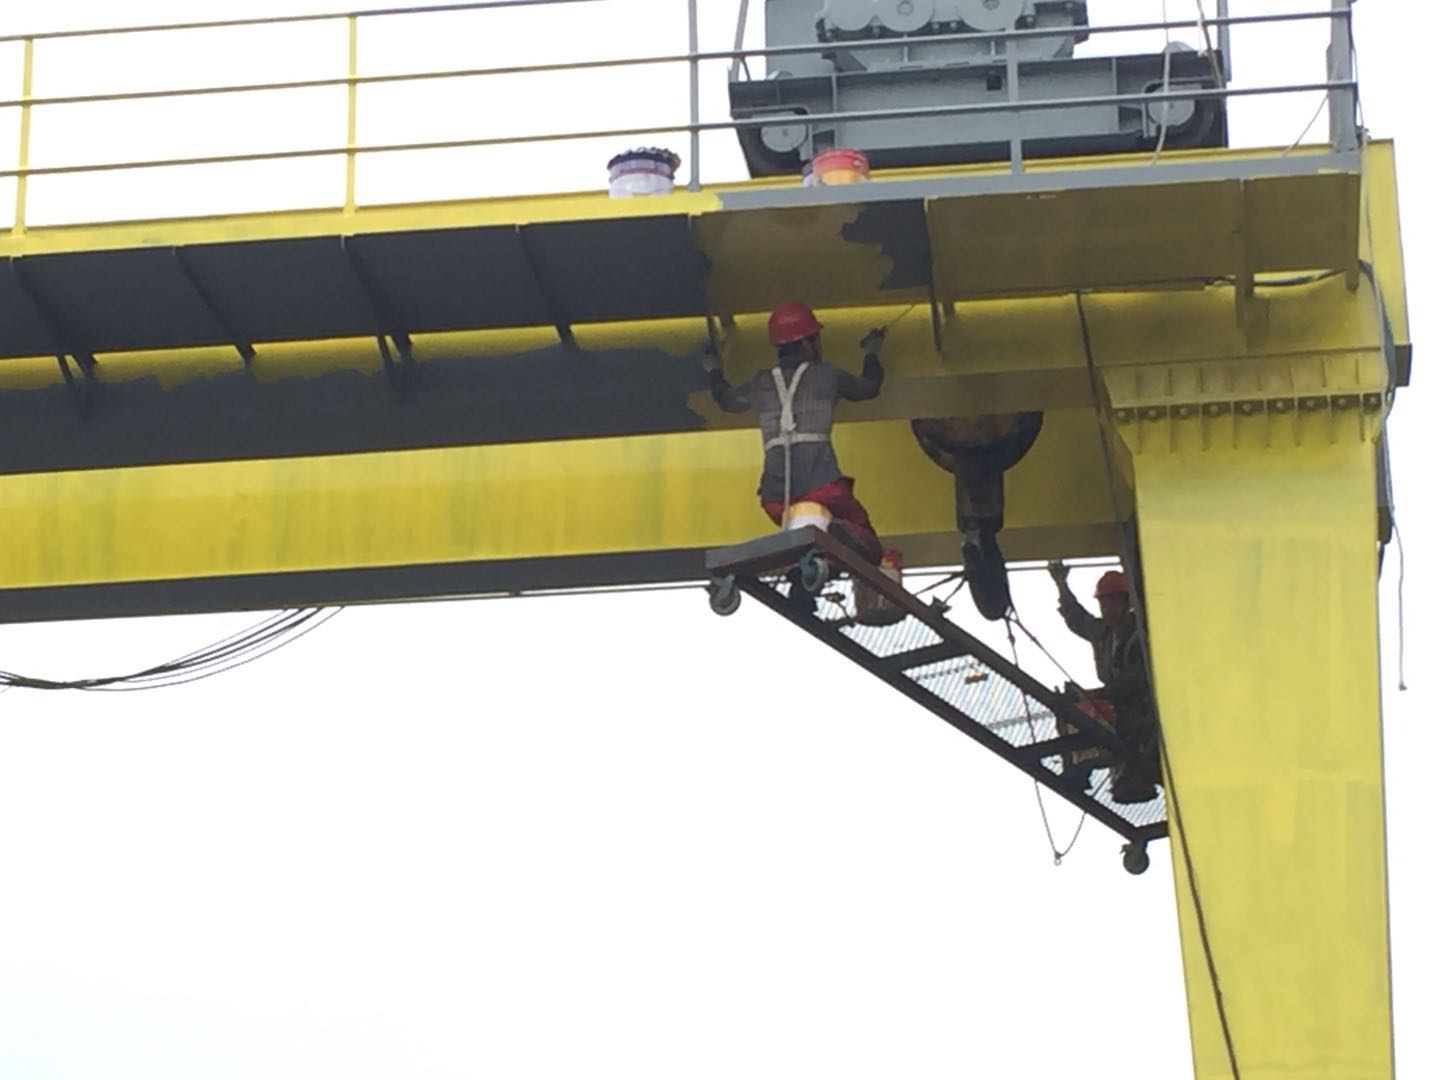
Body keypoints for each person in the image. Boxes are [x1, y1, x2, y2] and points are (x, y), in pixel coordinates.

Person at [703, 301, 886, 564]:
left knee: (803, 539)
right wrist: (871, 352)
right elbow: (868, 388)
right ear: (807, 343)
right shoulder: (827, 376)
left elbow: (726, 401)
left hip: (777, 499)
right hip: (823, 488)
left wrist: (712, 369)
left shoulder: (760, 382)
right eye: (817, 339)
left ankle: (819, 552)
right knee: (868, 545)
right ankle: (833, 530)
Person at [1047, 562, 1160, 804]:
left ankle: (1121, 774)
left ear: (1127, 602)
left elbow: (1135, 683)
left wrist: (1092, 695)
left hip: (1142, 712)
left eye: (1111, 602)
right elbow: (1077, 618)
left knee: (1091, 717)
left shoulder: (1140, 636)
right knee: (1071, 713)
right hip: (1117, 707)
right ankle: (1078, 772)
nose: (1106, 609)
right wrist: (1061, 584)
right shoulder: (1104, 633)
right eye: (1103, 603)